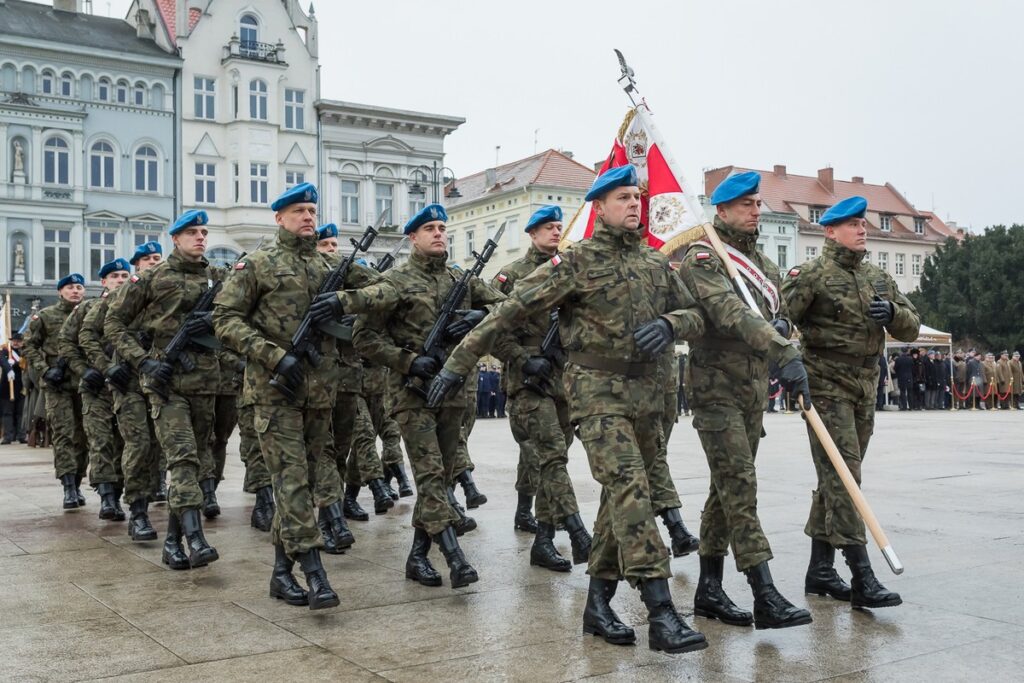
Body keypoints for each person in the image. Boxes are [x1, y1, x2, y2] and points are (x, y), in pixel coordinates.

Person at [428, 166, 709, 654]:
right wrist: (455, 366)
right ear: (599, 207)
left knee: (614, 506)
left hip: (645, 398)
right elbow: (508, 312)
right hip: (596, 394)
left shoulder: (655, 263)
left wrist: (670, 323)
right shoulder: (575, 262)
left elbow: (695, 314)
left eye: (637, 198)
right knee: (631, 490)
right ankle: (662, 613)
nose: (634, 205)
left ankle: (597, 606)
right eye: (623, 198)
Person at [319, 202, 504, 590]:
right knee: (431, 474)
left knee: (445, 476)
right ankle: (455, 557)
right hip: (411, 393)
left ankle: (418, 555)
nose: (439, 233)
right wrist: (406, 361)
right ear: (413, 238)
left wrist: (478, 318)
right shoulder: (396, 282)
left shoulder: (461, 279)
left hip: (453, 392)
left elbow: (505, 306)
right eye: (430, 229)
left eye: (442, 227)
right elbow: (363, 337)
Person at [214, 185, 377, 608]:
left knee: (300, 484)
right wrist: (274, 356)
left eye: (311, 210)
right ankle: (315, 571)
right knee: (291, 482)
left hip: (321, 392)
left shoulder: (330, 266)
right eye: (299, 211)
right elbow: (225, 320)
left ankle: (280, 573)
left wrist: (345, 300)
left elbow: (387, 290)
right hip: (274, 392)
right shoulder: (258, 263)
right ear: (279, 218)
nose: (308, 217)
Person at [679, 171, 812, 631]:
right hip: (715, 388)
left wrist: (783, 333)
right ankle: (764, 592)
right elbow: (729, 314)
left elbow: (781, 316)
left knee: (724, 489)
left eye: (758, 204)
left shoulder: (764, 266)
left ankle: (709, 589)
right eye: (748, 204)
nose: (757, 211)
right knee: (740, 486)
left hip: (753, 389)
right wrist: (781, 349)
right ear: (722, 211)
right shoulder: (704, 258)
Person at [783, 195, 918, 610]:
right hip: (824, 383)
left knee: (837, 474)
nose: (862, 230)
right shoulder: (811, 274)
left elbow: (912, 326)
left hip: (865, 383)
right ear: (830, 231)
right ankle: (861, 573)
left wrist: (892, 312)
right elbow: (780, 317)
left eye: (864, 224)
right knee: (844, 475)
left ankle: (820, 570)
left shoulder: (877, 277)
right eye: (853, 224)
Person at [106, 210, 221, 570]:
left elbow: (237, 320)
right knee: (183, 457)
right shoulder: (151, 277)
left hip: (204, 382)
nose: (200, 237)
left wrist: (215, 321)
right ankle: (195, 537)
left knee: (195, 461)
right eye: (191, 232)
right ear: (175, 238)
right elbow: (114, 322)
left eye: (203, 232)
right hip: (165, 383)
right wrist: (142, 361)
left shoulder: (217, 277)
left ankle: (172, 541)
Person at [487, 205, 593, 571]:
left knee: (555, 464)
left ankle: (544, 541)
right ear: (532, 234)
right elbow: (490, 331)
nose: (555, 233)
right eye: (547, 228)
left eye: (558, 227)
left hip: (564, 381)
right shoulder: (513, 275)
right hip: (528, 383)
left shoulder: (572, 271)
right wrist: (520, 357)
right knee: (550, 457)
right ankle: (578, 532)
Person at [313, 224, 394, 527]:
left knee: (353, 443)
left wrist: (353, 314)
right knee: (331, 445)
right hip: (317, 375)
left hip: (354, 377)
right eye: (325, 245)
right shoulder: (308, 279)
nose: (332, 250)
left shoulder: (348, 283)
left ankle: (346, 498)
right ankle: (332, 511)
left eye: (335, 245)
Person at [59, 258, 131, 523]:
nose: (120, 280)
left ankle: (120, 490)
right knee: (100, 442)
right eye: (115, 276)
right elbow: (66, 342)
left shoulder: (136, 309)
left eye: (125, 275)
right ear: (103, 282)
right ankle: (107, 497)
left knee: (126, 444)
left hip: (125, 388)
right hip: (96, 387)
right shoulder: (88, 308)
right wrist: (83, 369)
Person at [23, 273, 89, 510]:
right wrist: (44, 370)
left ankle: (78, 480)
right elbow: (29, 345)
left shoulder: (90, 314)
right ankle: (68, 487)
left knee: (84, 437)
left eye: (79, 287)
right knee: (63, 434)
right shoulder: (46, 316)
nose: (75, 291)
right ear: (60, 292)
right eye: (70, 287)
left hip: (84, 384)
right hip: (57, 384)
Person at [0, 333, 26, 444]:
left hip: (21, 386)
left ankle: (22, 435)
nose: (16, 342)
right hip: (7, 387)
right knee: (7, 413)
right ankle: (8, 436)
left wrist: (14, 365)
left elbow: (24, 364)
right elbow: (2, 361)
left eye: (18, 341)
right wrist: (8, 369)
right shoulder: (5, 351)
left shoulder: (24, 352)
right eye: (14, 340)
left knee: (21, 413)